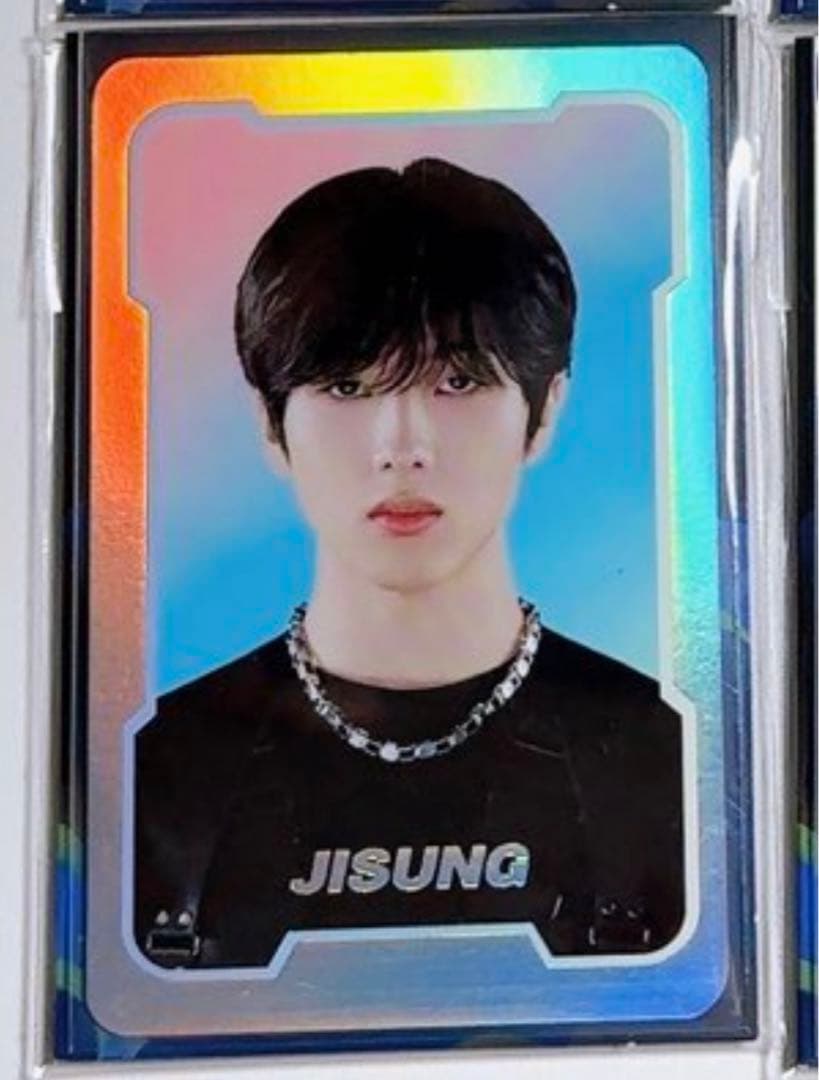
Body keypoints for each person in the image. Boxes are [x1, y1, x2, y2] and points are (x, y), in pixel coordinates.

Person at [134, 158, 684, 970]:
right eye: (345, 387)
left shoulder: (672, 759)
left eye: (457, 381)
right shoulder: (148, 771)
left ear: (544, 410)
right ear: (269, 421)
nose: (402, 447)